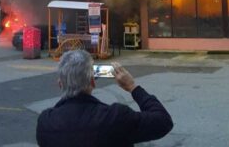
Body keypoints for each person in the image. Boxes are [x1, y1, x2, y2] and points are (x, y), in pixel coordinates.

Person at [36, 50, 173, 147]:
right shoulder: (115, 117)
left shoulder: (45, 122)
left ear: (60, 84)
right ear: (92, 82)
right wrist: (133, 87)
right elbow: (163, 121)